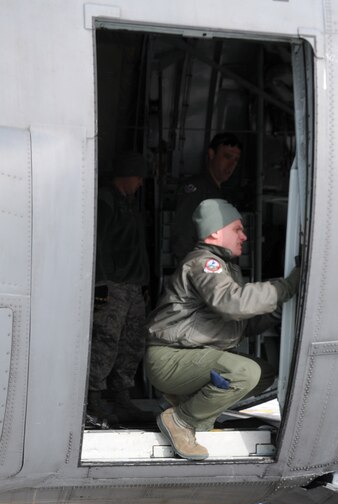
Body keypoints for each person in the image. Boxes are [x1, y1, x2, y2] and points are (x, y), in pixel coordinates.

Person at [145, 198, 300, 460]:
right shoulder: (204, 263)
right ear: (215, 232)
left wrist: (277, 310)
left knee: (263, 373)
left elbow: (237, 324)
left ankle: (195, 416)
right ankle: (181, 420)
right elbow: (233, 304)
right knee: (244, 372)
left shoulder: (225, 268)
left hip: (189, 357)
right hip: (170, 359)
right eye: (237, 229)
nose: (244, 236)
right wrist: (286, 287)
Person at [87, 151, 150, 428]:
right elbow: (96, 244)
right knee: (105, 340)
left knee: (131, 342)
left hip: (132, 287)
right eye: (138, 177)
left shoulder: (127, 202)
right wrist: (100, 287)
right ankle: (94, 398)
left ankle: (120, 395)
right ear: (128, 176)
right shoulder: (106, 200)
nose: (140, 183)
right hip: (111, 285)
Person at [170, 132, 242, 261]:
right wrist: (192, 269)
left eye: (235, 160)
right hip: (200, 269)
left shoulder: (220, 192)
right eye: (227, 156)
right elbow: (182, 235)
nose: (231, 165)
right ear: (211, 154)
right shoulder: (196, 189)